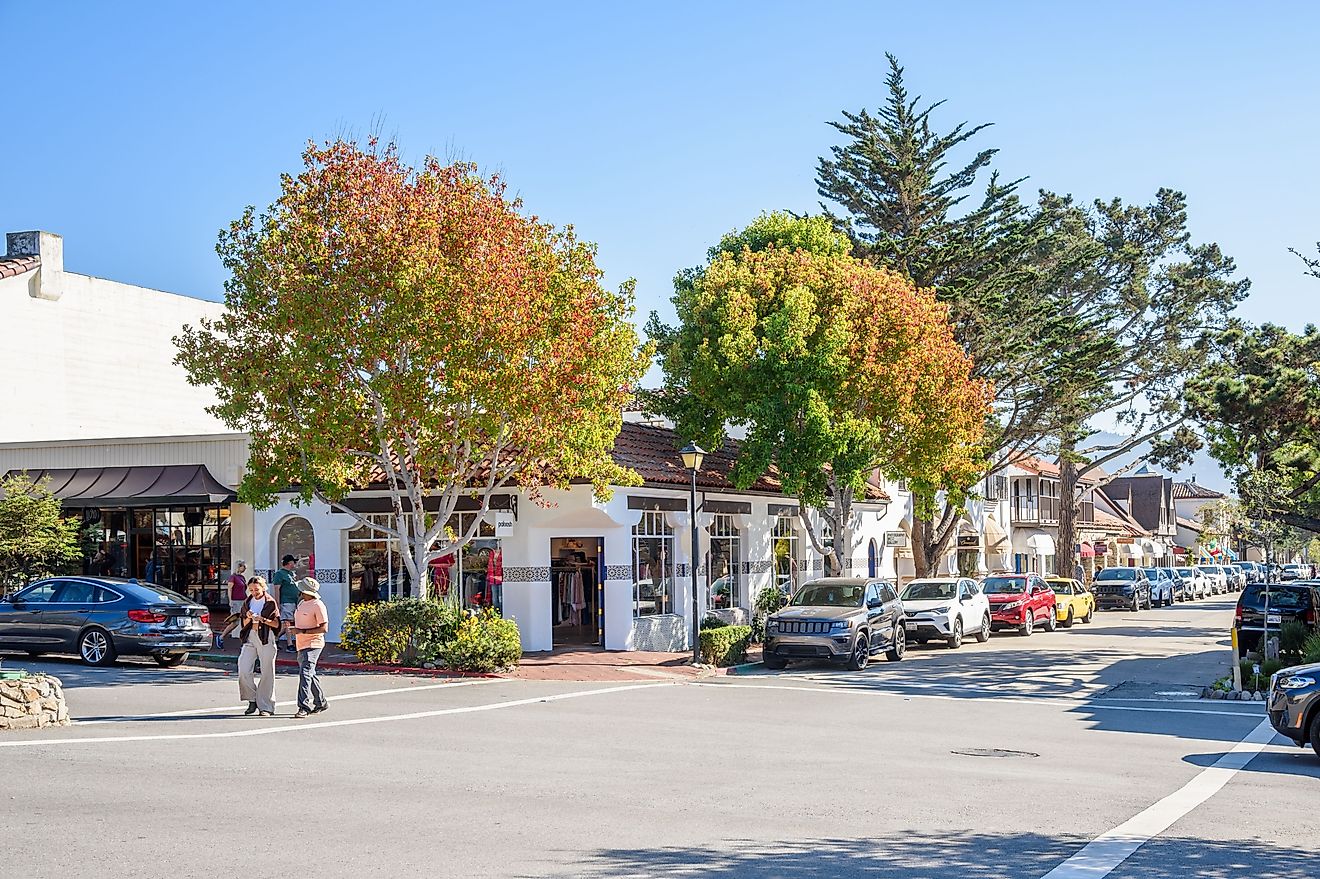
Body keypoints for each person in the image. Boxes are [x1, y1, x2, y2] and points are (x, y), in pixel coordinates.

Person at [237, 575, 280, 717]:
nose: (254, 592)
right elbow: (243, 624)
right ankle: (252, 698)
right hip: (250, 636)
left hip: (266, 637)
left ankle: (266, 706)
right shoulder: (247, 602)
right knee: (243, 669)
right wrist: (248, 617)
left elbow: (276, 624)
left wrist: (263, 619)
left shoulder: (270, 602)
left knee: (267, 671)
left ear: (263, 587)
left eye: (256, 589)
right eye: (251, 590)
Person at [289, 577, 329, 718]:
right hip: (301, 643)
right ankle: (320, 702)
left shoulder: (318, 605)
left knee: (305, 673)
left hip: (313, 643)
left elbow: (324, 628)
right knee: (310, 674)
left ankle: (303, 706)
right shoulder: (301, 603)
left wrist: (302, 631)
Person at [273, 554, 300, 652]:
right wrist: (277, 603)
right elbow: (277, 589)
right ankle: (289, 644)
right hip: (286, 601)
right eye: (293, 561)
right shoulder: (280, 574)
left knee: (288, 623)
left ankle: (274, 639)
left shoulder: (292, 574)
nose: (295, 563)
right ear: (289, 563)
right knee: (288, 622)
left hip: (294, 601)